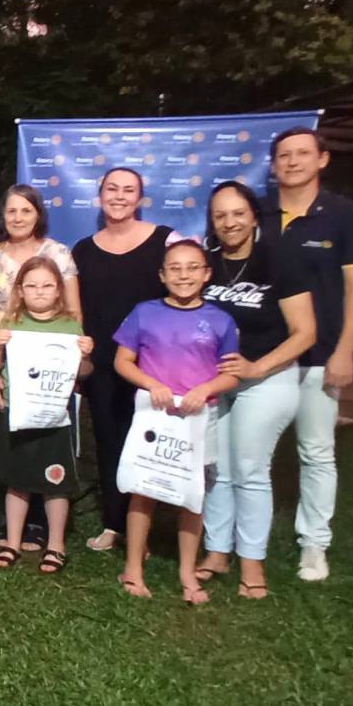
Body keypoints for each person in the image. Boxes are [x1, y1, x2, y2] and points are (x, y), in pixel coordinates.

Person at [264, 126, 353, 583]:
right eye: (284, 156)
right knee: (244, 456)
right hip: (262, 358)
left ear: (322, 160)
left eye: (302, 154)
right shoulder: (259, 216)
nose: (292, 162)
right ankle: (229, 537)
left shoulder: (346, 217)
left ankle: (314, 544)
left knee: (315, 452)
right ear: (273, 166)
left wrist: (346, 350)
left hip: (321, 355)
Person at [196, 183, 316, 601]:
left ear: (253, 216)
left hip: (267, 379)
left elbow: (305, 332)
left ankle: (252, 563)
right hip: (215, 383)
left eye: (236, 213)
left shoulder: (278, 260)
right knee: (216, 470)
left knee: (248, 470)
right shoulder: (207, 264)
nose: (229, 223)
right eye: (220, 216)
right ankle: (216, 553)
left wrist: (256, 367)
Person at [112, 240, 240, 603]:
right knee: (143, 489)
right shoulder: (144, 312)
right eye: (175, 268)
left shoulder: (221, 320)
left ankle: (188, 572)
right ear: (163, 275)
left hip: (199, 418)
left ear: (206, 274)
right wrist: (152, 384)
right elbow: (123, 361)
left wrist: (208, 388)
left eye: (192, 267)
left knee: (192, 494)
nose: (184, 275)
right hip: (154, 416)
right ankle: (133, 567)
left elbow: (232, 374)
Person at [72, 167, 170, 553]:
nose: (119, 196)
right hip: (103, 365)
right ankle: (114, 523)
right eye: (112, 189)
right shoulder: (83, 250)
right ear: (100, 197)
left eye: (129, 190)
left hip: (153, 365)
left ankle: (141, 529)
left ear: (140, 199)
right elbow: (78, 313)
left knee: (147, 443)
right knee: (111, 442)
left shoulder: (164, 241)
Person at [0, 257, 91, 573]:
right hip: (19, 413)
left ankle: (56, 545)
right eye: (31, 286)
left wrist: (85, 355)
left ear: (59, 290)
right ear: (20, 290)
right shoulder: (11, 323)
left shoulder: (71, 327)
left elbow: (83, 373)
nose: (39, 292)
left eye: (47, 285)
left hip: (56, 416)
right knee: (17, 478)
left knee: (55, 480)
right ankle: (13, 542)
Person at [0, 185, 81, 364]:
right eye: (11, 211)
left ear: (38, 215)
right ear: (3, 216)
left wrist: (70, 360)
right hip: (3, 354)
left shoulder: (59, 254)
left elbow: (74, 312)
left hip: (52, 356)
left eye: (26, 211)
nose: (18, 219)